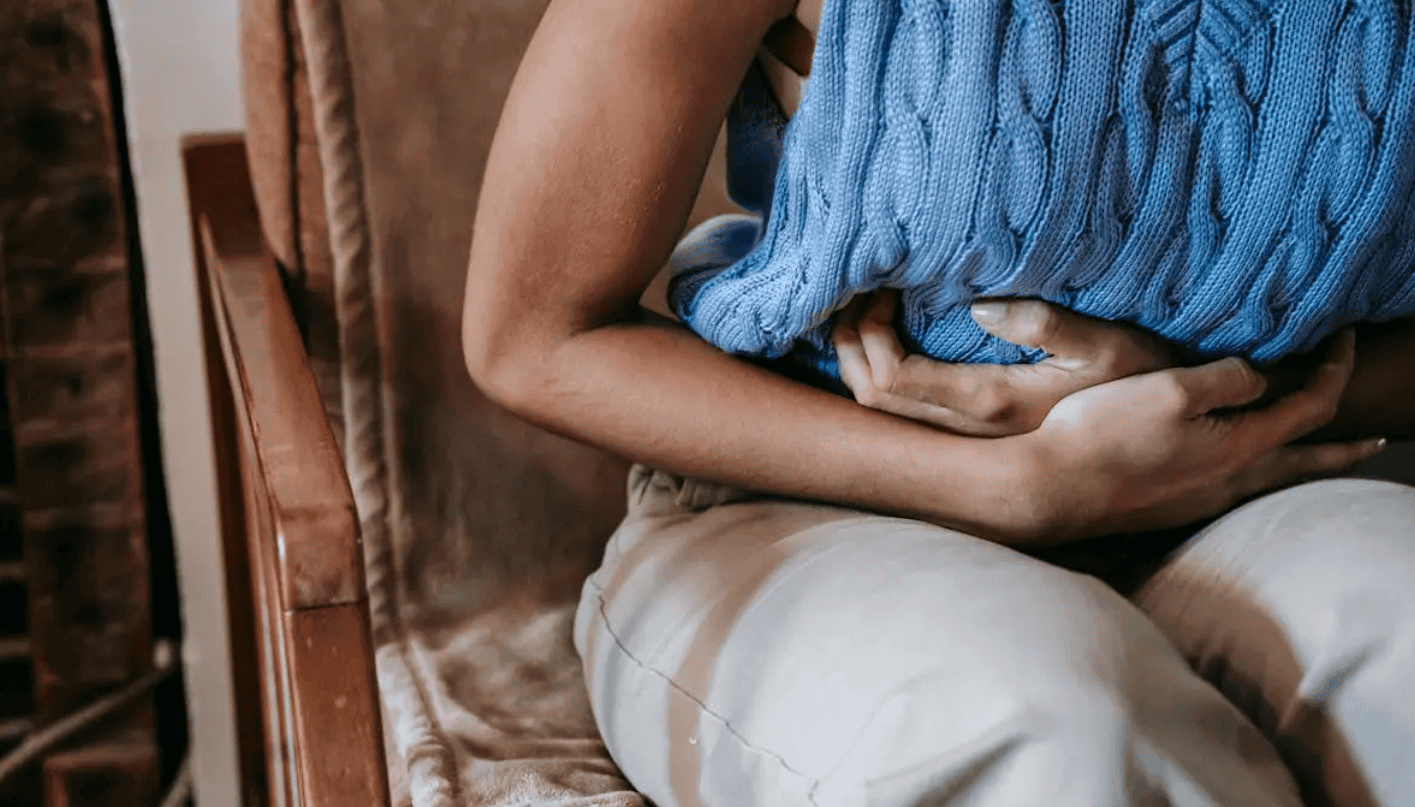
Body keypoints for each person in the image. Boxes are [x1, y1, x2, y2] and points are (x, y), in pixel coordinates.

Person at [462, 0, 1415, 804]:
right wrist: (1010, 485)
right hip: (808, 511)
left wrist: (1198, 406)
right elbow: (535, 334)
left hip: (1259, 489)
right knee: (1054, 726)